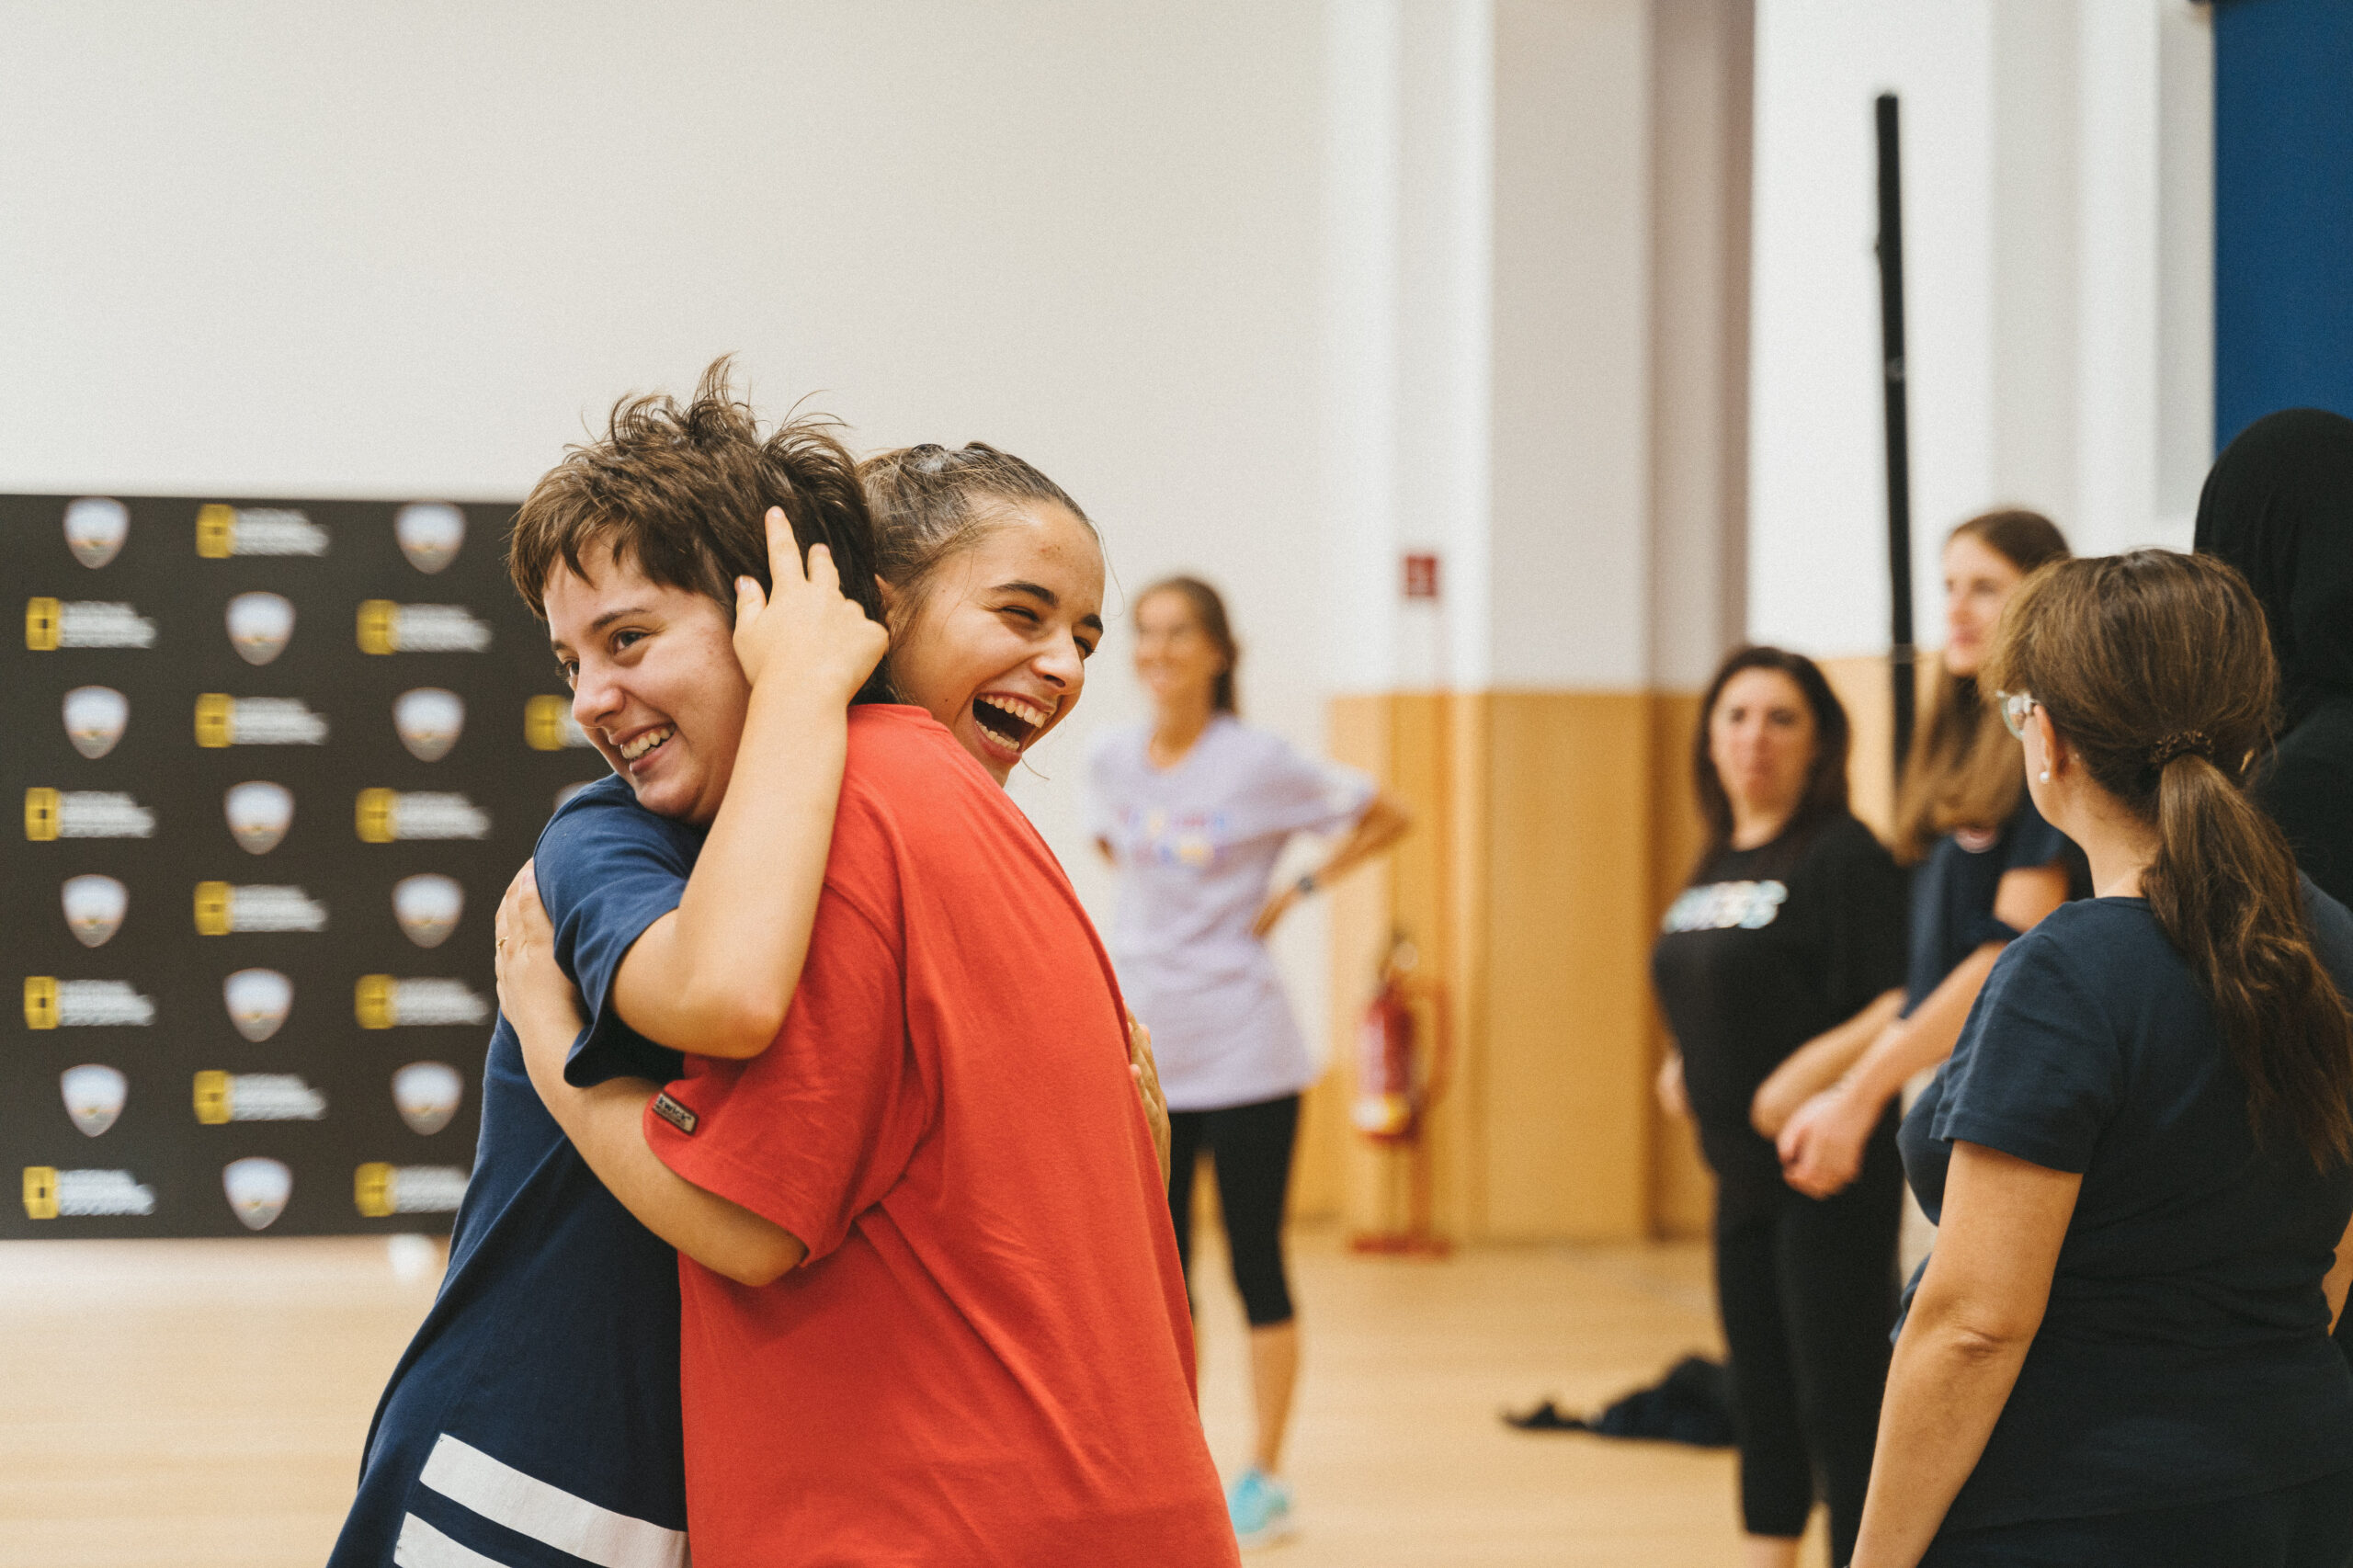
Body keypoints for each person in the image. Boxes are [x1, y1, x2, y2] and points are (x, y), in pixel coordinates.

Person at [496, 443, 1239, 1565]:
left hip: (941, 1519)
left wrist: (547, 1030)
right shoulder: (964, 812)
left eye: (1081, 636)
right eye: (1023, 613)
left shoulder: (859, 800)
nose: (1065, 667)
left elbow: (752, 1216)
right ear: (871, 604)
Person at [328, 366, 897, 1566]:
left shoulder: (869, 832)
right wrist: (544, 1032)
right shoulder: (602, 838)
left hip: (703, 1492)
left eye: (628, 638)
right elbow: (728, 992)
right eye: (569, 660)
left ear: (774, 607)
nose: (592, 697)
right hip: (516, 1460)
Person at [1850, 549, 2353, 1566]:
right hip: (2298, 1478)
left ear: (2048, 739)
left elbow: (1973, 1324)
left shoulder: (2064, 974)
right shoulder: (2333, 938)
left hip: (2078, 1505)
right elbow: (2336, 1250)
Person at [1086, 575, 1410, 1549]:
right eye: (1143, 634)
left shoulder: (1257, 761)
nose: (1157, 651)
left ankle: (1263, 1472)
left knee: (1257, 1262)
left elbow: (1383, 811)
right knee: (1157, 1273)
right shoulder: (1109, 761)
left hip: (1249, 1049)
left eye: (1179, 633)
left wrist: (1300, 882)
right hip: (1146, 1048)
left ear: (1219, 652)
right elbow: (1118, 860)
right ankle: (1167, 1459)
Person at [1651, 647, 1909, 1568]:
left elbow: (1898, 995)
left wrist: (1810, 1069)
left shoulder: (1843, 852)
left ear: (1819, 741)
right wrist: (1683, 1058)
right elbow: (1713, 982)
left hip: (1825, 1170)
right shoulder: (1718, 855)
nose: (1752, 737)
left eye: (1779, 718)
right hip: (1738, 1175)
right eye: (1735, 715)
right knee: (1758, 1396)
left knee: (1838, 1400)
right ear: (1709, 737)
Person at [1768, 511, 2081, 1199]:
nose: (1957, 610)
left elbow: (2005, 954)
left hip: (2006, 1087)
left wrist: (1857, 1092)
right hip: (1936, 1076)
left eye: (1985, 588)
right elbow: (1927, 975)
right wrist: (1831, 1067)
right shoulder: (1951, 745)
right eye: (1948, 587)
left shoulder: (2047, 751)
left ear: (2039, 599)